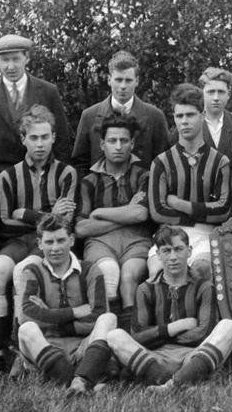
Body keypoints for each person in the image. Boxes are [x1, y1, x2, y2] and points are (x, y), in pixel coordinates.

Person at [0, 104, 77, 377]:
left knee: (22, 273)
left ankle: (22, 354)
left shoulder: (67, 173)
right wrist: (47, 213)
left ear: (53, 137)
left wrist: (26, 212)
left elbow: (62, 224)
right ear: (23, 139)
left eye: (44, 137)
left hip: (49, 243)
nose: (39, 144)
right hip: (18, 240)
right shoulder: (8, 175)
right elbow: (7, 218)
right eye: (33, 138)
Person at [105, 226, 232, 391]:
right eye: (167, 251)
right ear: (159, 255)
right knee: (114, 336)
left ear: (189, 251)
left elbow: (203, 333)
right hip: (156, 357)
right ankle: (185, 380)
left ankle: (170, 384)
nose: (173, 257)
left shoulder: (204, 287)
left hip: (192, 355)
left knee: (229, 326)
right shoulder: (146, 289)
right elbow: (138, 335)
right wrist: (174, 328)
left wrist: (157, 334)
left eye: (178, 249)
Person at [15, 213, 116, 395]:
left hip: (82, 349)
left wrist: (48, 314)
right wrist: (75, 312)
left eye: (61, 240)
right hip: (45, 347)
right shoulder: (32, 271)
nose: (55, 248)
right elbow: (26, 315)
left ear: (71, 240)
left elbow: (98, 315)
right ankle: (81, 380)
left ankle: (78, 379)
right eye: (49, 242)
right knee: (27, 328)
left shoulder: (91, 270)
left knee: (109, 319)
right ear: (39, 244)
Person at [76, 113, 151, 330]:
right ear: (102, 144)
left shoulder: (143, 175)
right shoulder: (89, 181)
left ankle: (131, 335)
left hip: (136, 241)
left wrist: (99, 212)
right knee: (108, 273)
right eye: (112, 141)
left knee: (129, 276)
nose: (118, 146)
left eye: (124, 140)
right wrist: (125, 214)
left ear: (132, 143)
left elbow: (141, 215)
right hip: (99, 242)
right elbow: (81, 228)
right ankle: (105, 339)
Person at [148, 84, 231, 280]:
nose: (184, 121)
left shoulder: (221, 162)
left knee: (201, 270)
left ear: (202, 115)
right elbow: (157, 211)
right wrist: (201, 212)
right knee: (158, 274)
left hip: (205, 235)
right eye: (179, 116)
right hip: (168, 234)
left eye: (190, 115)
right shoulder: (161, 162)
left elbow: (223, 210)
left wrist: (179, 204)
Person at [0, 34, 71, 186]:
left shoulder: (48, 91)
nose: (10, 66)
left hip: (40, 178)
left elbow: (61, 139)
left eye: (16, 59)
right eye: (5, 60)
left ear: (26, 58)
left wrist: (59, 178)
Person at [71, 50, 168, 174]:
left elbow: (162, 164)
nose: (123, 86)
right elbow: (80, 163)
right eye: (118, 80)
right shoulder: (89, 116)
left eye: (128, 80)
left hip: (141, 190)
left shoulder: (155, 117)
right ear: (109, 79)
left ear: (137, 81)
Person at [169, 67, 232, 163]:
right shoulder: (186, 125)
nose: (216, 98)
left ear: (228, 94)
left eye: (221, 92)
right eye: (211, 92)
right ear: (202, 93)